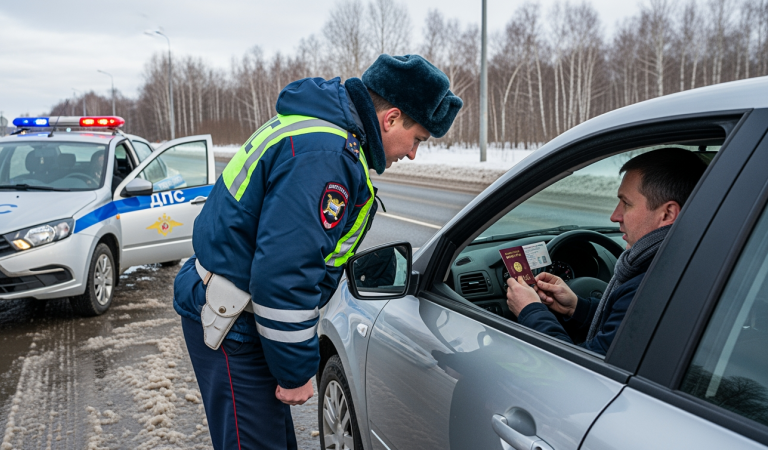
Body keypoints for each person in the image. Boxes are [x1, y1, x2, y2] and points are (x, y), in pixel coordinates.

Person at [174, 54, 462, 449]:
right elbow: (285, 272)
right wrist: (295, 372)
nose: (412, 154)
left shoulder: (319, 131)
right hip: (233, 322)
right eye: (418, 140)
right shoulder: (327, 154)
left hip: (237, 311)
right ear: (391, 118)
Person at [506, 148, 707, 355]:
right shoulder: (689, 262)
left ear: (667, 214)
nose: (614, 216)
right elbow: (622, 329)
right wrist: (576, 308)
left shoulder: (649, 287)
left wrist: (530, 311)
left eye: (626, 203)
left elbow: (582, 365)